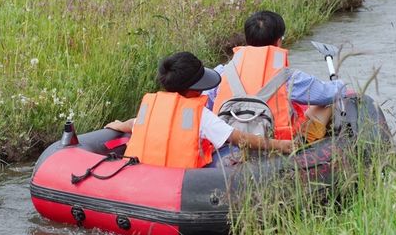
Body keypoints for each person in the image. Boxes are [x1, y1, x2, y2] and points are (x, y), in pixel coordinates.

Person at [106, 50, 292, 169]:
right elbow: (239, 139)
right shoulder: (200, 115)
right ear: (196, 87)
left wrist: (120, 125)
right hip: (185, 181)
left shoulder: (151, 107)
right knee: (230, 152)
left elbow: (134, 123)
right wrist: (280, 145)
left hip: (147, 175)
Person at [209, 10, 348, 146]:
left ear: (247, 40)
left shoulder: (222, 72)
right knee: (327, 105)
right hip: (278, 144)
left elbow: (205, 103)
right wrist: (340, 84)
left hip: (228, 142)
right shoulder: (290, 77)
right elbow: (332, 93)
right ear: (278, 41)